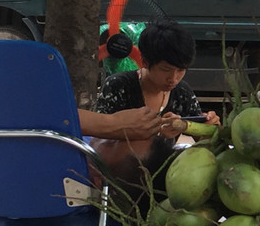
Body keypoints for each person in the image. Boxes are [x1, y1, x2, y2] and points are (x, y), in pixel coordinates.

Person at [90, 18, 219, 191]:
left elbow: (202, 140)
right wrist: (155, 133)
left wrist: (209, 128)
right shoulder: (118, 86)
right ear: (144, 61)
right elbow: (100, 141)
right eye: (166, 70)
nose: (173, 78)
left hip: (163, 180)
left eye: (180, 70)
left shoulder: (182, 93)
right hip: (121, 181)